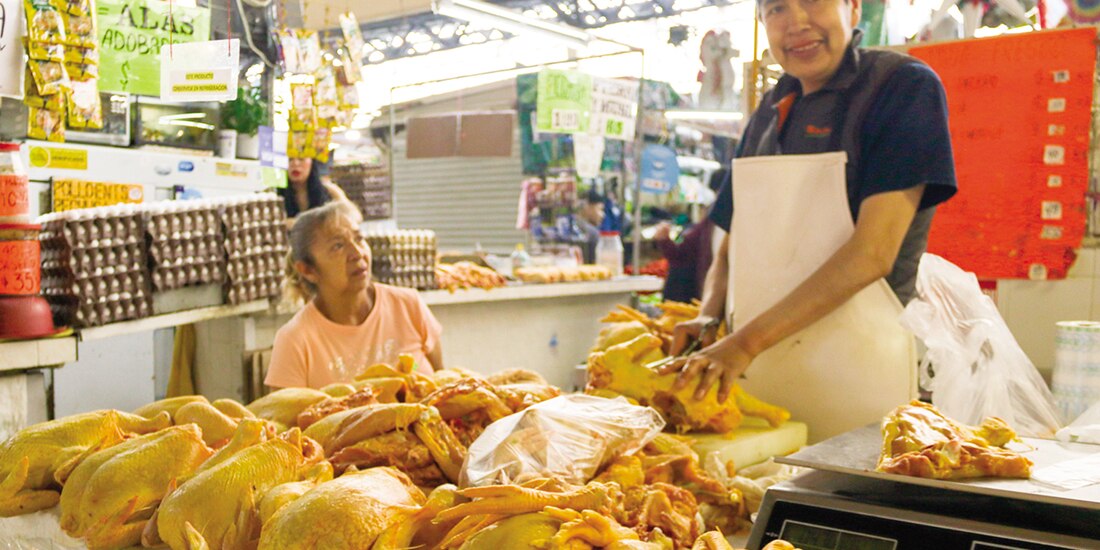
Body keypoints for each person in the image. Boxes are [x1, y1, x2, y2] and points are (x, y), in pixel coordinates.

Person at [662, 0, 957, 438]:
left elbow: (873, 254)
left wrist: (744, 342)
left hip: (859, 380)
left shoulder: (902, 89)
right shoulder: (770, 108)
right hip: (756, 380)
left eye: (814, 2)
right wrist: (710, 317)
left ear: (853, 9)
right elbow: (733, 242)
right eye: (777, 9)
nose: (797, 22)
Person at [265, 202, 443, 389]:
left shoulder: (408, 305)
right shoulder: (295, 340)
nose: (357, 253)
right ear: (308, 270)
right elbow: (283, 416)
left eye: (359, 239)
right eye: (338, 246)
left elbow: (442, 390)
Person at [653, 169, 728, 303]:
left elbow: (680, 254)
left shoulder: (714, 218)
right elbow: (682, 254)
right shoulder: (713, 220)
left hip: (713, 296)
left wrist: (664, 240)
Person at [277, 157, 349, 220]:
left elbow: (353, 216)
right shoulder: (275, 196)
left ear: (312, 162)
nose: (295, 163)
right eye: (290, 159)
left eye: (301, 159)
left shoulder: (329, 191)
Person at [576, 189, 606, 264]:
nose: (602, 215)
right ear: (587, 207)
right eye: (599, 209)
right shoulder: (592, 233)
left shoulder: (571, 226)